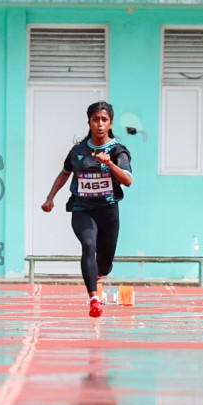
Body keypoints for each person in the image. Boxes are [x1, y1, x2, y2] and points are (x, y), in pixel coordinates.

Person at [40, 101, 134, 317]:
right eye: (95, 120)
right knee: (88, 244)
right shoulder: (78, 151)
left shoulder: (118, 150)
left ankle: (99, 275)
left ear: (110, 123)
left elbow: (127, 180)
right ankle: (94, 299)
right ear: (89, 122)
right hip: (82, 208)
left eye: (104, 120)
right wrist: (50, 198)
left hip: (108, 210)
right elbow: (65, 172)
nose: (99, 124)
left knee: (105, 264)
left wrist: (110, 164)